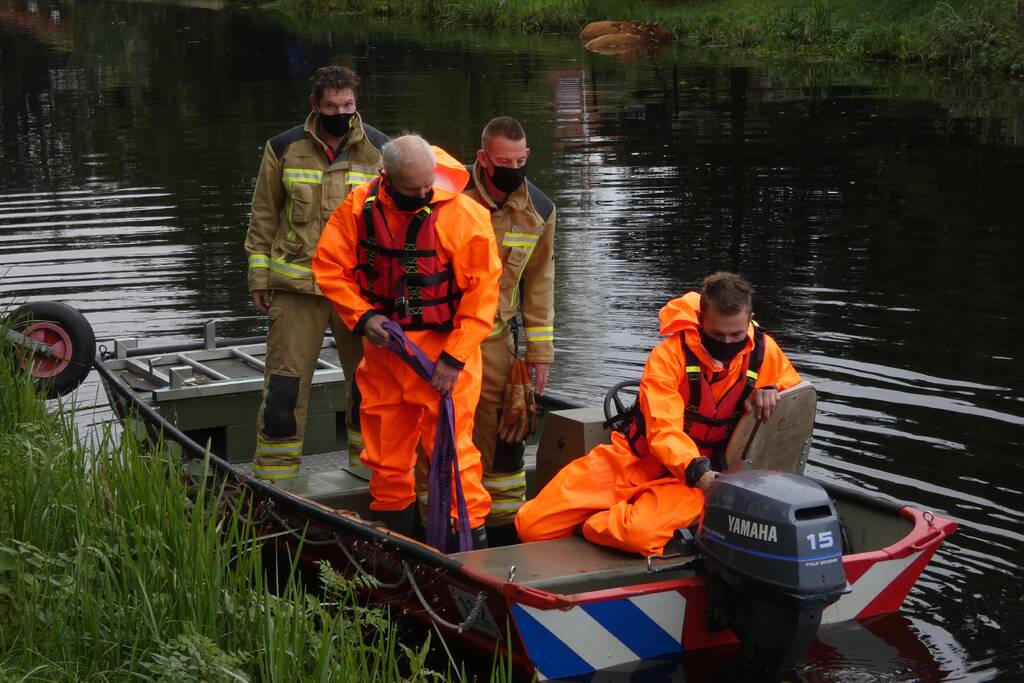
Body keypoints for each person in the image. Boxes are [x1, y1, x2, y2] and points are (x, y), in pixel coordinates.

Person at [515, 272, 801, 557]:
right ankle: (623, 512)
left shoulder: (766, 354)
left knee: (638, 535)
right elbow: (663, 428)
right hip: (638, 460)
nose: (727, 343)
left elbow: (797, 401)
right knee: (531, 526)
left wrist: (772, 388)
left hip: (697, 481)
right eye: (716, 334)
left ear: (750, 318)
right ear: (701, 320)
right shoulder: (668, 357)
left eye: (736, 335)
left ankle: (597, 522)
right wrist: (698, 472)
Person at [312, 135, 501, 547]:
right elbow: (329, 268)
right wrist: (364, 317)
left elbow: (482, 295)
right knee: (385, 459)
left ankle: (469, 548)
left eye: (426, 186)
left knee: (454, 457)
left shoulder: (464, 216)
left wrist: (455, 358)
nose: (422, 194)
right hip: (385, 352)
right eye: (411, 189)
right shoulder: (358, 210)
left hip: (444, 355)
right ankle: (394, 547)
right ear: (387, 177)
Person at [414, 117, 556, 546]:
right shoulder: (446, 195)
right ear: (482, 159)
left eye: (520, 160)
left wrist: (539, 353)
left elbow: (540, 283)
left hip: (497, 336)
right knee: (441, 428)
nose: (513, 168)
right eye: (503, 161)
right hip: (443, 334)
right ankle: (434, 524)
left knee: (507, 428)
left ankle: (502, 531)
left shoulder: (540, 211)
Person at [244, 66, 388, 481]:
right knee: (283, 390)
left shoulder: (380, 150)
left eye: (347, 106)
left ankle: (369, 472)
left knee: (369, 386)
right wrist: (259, 277)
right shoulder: (283, 147)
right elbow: (264, 215)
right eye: (331, 106)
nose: (339, 113)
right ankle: (275, 478)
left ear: (356, 104)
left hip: (358, 292)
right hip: (296, 287)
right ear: (315, 105)